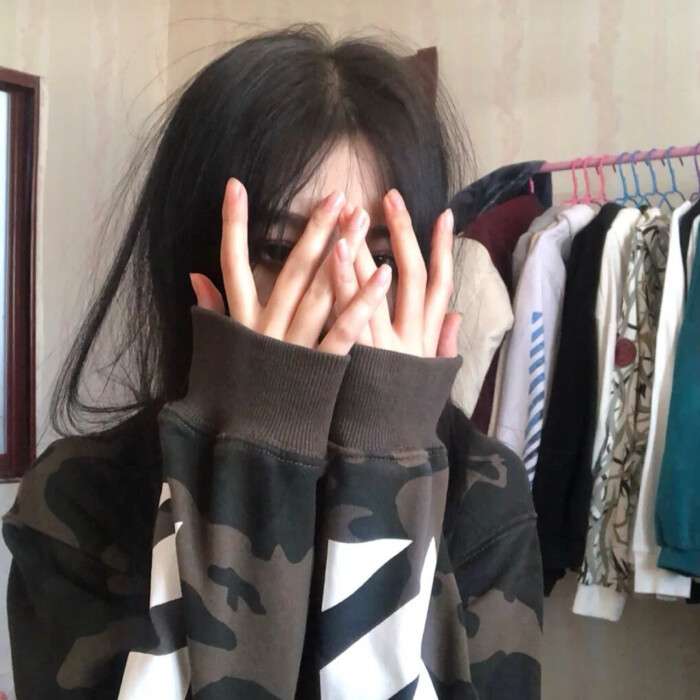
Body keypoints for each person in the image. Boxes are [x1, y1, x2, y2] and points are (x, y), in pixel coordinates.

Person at [1, 22, 543, 699]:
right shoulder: (78, 498)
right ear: (198, 264)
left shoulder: (483, 493)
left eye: (377, 259)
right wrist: (254, 460)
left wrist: (388, 467)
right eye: (283, 252)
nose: (339, 298)